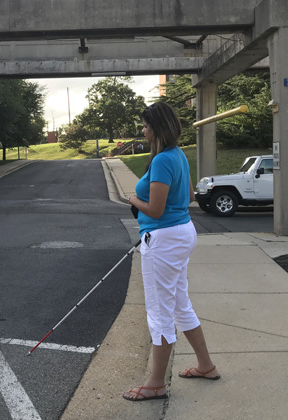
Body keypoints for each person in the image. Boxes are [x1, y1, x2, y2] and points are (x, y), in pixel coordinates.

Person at [123, 102, 220, 402]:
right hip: (181, 234)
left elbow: (155, 208)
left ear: (157, 129)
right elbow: (189, 196)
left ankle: (155, 383)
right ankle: (206, 366)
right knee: (179, 304)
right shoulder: (178, 156)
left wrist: (131, 199)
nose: (143, 130)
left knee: (159, 311)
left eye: (146, 126)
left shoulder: (164, 160)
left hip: (163, 240)